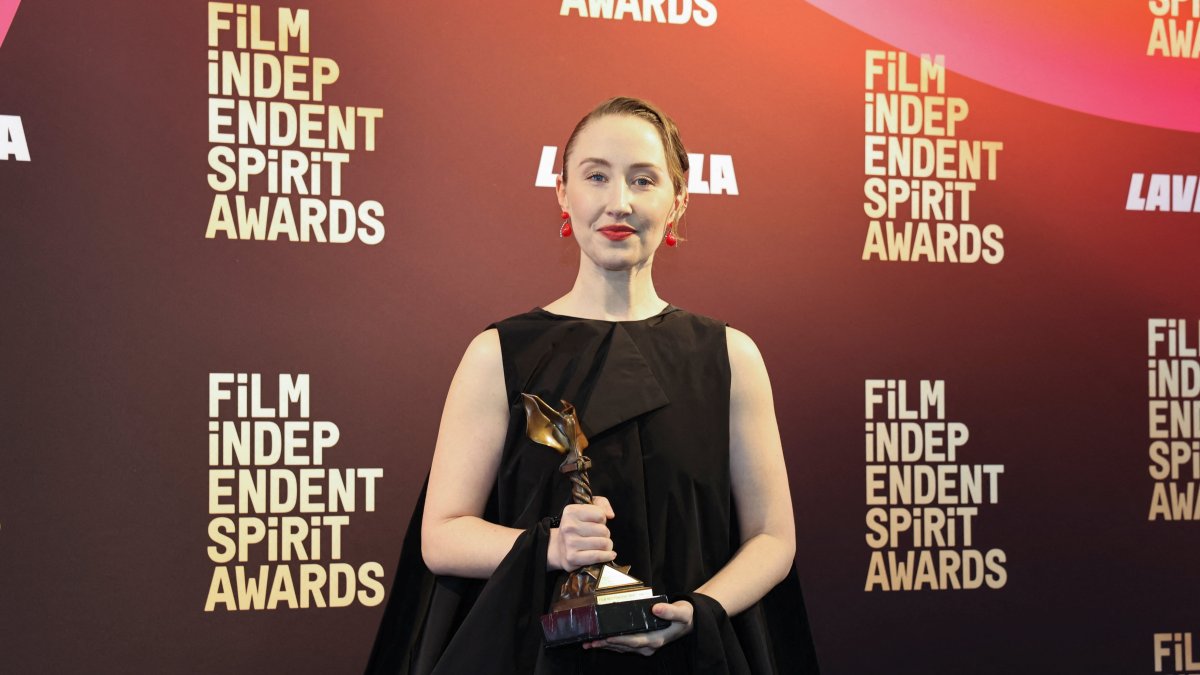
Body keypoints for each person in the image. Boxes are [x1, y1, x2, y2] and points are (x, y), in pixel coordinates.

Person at [365, 97, 819, 674]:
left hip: (689, 657)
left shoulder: (730, 356)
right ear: (562, 193)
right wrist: (550, 546)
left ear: (678, 200)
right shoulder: (498, 354)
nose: (618, 202)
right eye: (596, 176)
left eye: (644, 180)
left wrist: (699, 609)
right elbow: (443, 536)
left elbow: (773, 539)